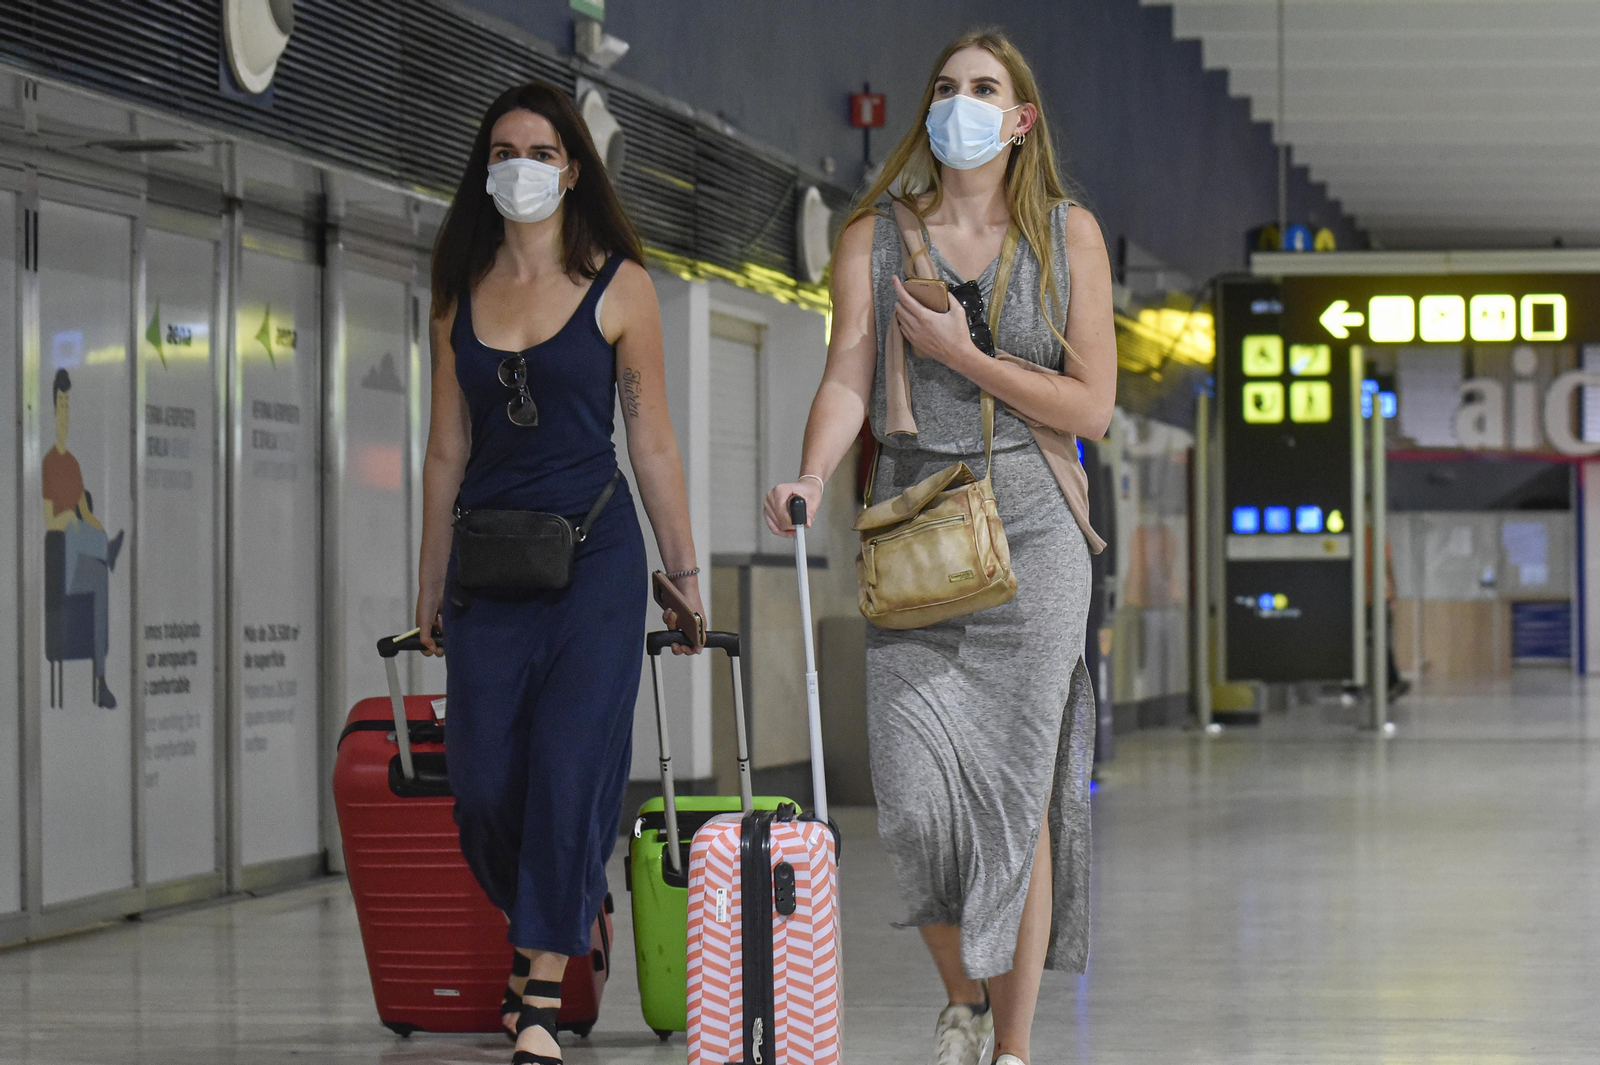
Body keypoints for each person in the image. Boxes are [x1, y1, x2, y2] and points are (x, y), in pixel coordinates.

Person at [765, 31, 1116, 1065]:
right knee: (915, 803)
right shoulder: (873, 237)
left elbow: (1089, 405)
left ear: (1020, 121)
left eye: (983, 90)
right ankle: (961, 994)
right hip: (915, 528)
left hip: (1038, 530)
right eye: (945, 88)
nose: (959, 103)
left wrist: (968, 357)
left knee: (1016, 796)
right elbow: (846, 375)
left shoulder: (1066, 236)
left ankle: (1008, 1047)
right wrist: (813, 472)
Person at [414, 81, 703, 1065]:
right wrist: (427, 583)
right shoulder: (457, 290)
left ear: (573, 168)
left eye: (540, 152)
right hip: (489, 564)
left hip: (597, 560)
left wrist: (685, 570)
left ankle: (537, 993)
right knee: (485, 783)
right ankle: (578, 901)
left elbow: (651, 439)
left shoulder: (619, 286)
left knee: (573, 765)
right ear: (482, 168)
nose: (520, 168)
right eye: (504, 151)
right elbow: (443, 452)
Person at [43, 369, 125, 709]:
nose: (65, 412)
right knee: (71, 528)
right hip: (60, 560)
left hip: (79, 559)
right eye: (61, 404)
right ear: (52, 410)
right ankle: (105, 551)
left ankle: (102, 681)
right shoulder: (48, 463)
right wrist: (70, 522)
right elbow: (50, 519)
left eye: (68, 405)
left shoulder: (74, 465)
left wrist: (99, 529)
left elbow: (85, 512)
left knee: (100, 580)